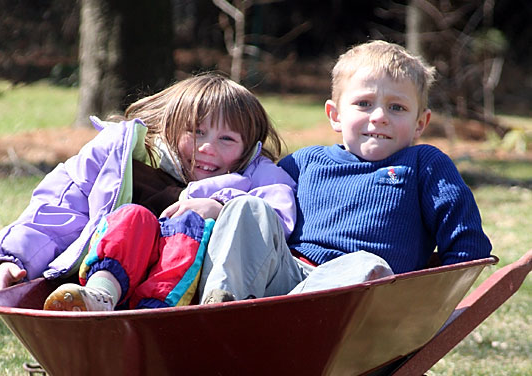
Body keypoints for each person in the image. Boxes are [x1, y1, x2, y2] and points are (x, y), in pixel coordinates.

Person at [196, 40, 492, 302]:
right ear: (335, 116)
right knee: (249, 206)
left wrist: (431, 308)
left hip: (357, 298)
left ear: (420, 123)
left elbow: (468, 244)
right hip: (288, 275)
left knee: (365, 263)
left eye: (397, 108)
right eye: (363, 104)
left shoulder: (423, 164)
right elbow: (254, 193)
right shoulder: (306, 162)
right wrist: (219, 203)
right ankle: (222, 308)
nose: (379, 117)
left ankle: (288, 313)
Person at [0, 73, 296, 310]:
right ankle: (96, 298)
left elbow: (276, 218)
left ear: (249, 146)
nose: (207, 148)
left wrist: (221, 205)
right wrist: (15, 258)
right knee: (132, 217)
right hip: (112, 284)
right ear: (173, 126)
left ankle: (156, 313)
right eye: (196, 132)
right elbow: (60, 206)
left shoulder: (256, 176)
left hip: (186, 296)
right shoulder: (122, 157)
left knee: (185, 228)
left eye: (227, 139)